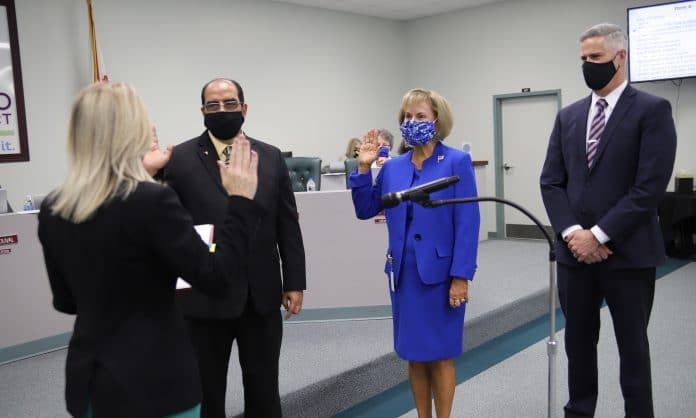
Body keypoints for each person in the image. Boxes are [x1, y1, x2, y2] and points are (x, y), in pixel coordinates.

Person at [37, 81, 260, 418]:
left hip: (90, 383)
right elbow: (217, 278)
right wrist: (241, 201)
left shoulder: (54, 206)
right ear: (133, 131)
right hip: (155, 383)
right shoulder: (151, 200)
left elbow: (66, 301)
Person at [147, 78, 306, 418]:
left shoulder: (271, 157)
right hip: (202, 300)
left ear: (244, 108)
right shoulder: (178, 160)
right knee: (206, 395)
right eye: (213, 105)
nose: (222, 110)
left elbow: (287, 224)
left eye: (230, 103)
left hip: (260, 296)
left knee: (264, 394)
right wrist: (150, 175)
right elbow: (161, 224)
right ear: (202, 111)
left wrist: (294, 281)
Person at [540, 23, 676, 418]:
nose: (588, 65)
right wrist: (572, 234)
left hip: (629, 255)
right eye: (583, 59)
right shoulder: (568, 117)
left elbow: (648, 188)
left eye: (595, 58)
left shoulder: (652, 110)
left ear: (621, 57)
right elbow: (551, 182)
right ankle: (579, 411)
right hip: (574, 258)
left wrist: (598, 235)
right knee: (578, 346)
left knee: (633, 348)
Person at [350, 88, 480, 418]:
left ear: (438, 120)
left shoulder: (456, 161)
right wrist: (364, 170)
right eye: (407, 117)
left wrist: (461, 277)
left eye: (420, 116)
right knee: (414, 354)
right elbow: (366, 209)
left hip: (441, 275)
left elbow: (468, 223)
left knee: (440, 354)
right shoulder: (393, 166)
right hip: (404, 275)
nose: (412, 122)